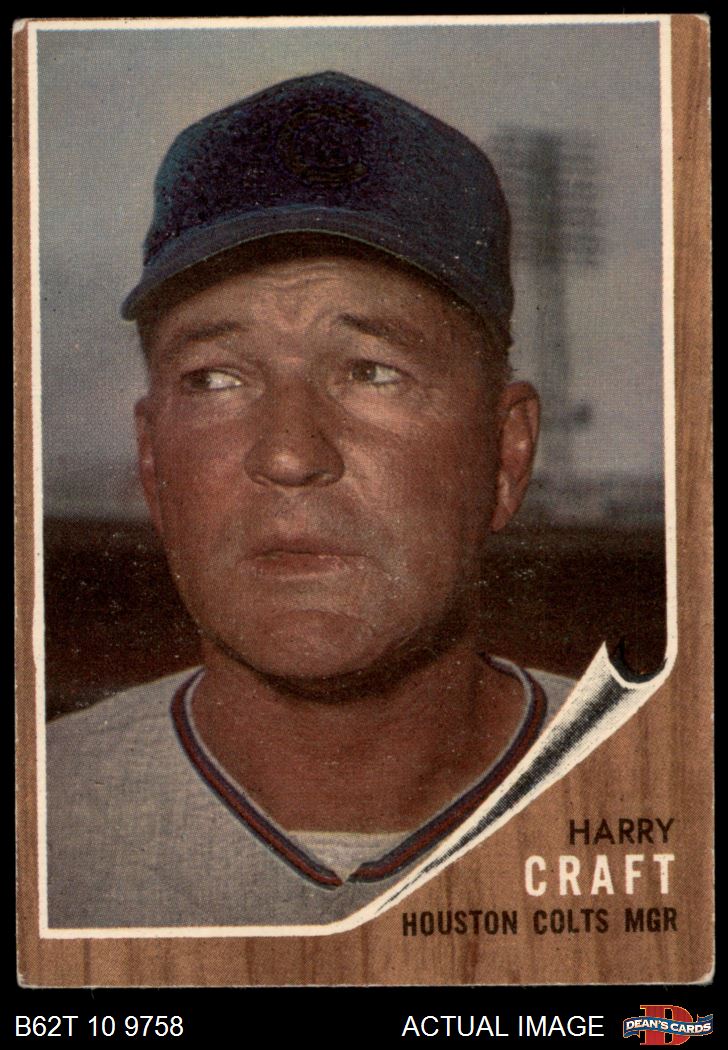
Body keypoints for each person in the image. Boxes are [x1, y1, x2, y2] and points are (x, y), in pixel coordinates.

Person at [46, 71, 574, 928]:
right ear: (152, 459)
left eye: (372, 371)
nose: (290, 455)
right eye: (216, 379)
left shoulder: (665, 784)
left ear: (507, 455)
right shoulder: (40, 811)